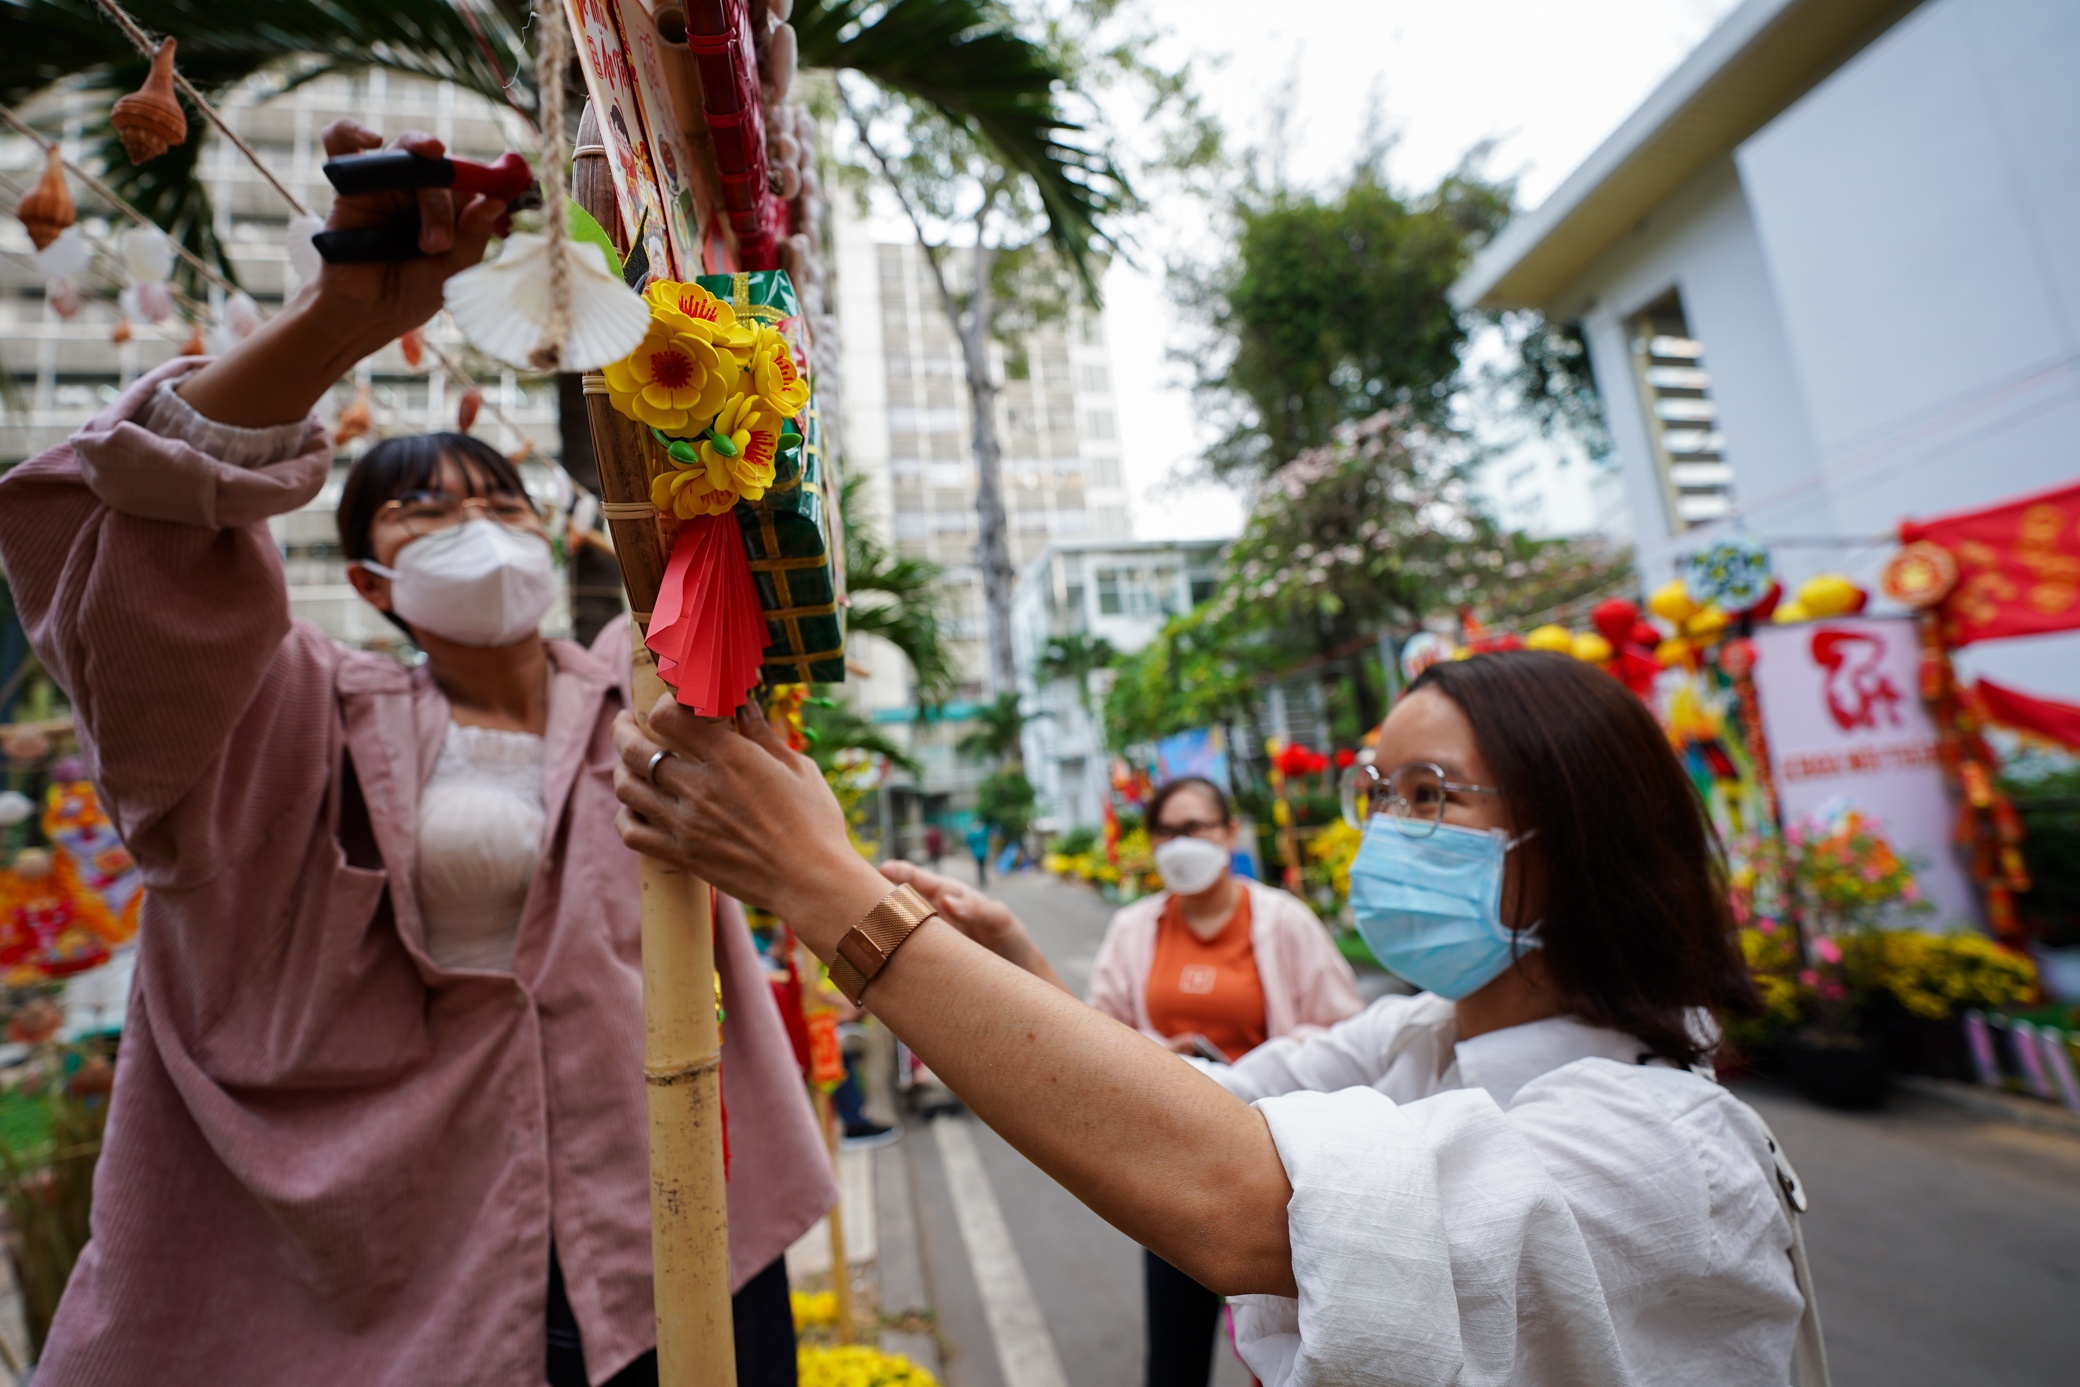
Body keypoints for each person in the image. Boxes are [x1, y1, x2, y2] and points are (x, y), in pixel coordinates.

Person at [0, 121, 835, 1387]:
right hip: (395, 1263)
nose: (475, 527)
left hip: (679, 1221)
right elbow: (136, 564)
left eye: (501, 502)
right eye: (424, 509)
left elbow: (750, 550)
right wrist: (341, 321)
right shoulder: (289, 719)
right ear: (370, 580)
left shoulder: (645, 684)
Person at [613, 649, 1822, 1386]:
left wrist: (824, 890)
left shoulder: (1670, 1150)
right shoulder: (1417, 1038)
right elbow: (1188, 1104)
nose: (1383, 830)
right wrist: (1003, 964)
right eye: (1376, 791)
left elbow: (1245, 1196)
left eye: (1428, 795)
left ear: (1581, 837)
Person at [1086, 777, 1361, 1387]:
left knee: (1293, 1354)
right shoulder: (1134, 929)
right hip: (1174, 1169)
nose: (1179, 843)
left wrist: (1258, 1069)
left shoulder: (1283, 921)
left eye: (1194, 828)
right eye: (1164, 832)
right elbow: (1098, 1035)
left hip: (1277, 1173)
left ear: (1229, 833)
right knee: (1174, 1355)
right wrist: (1160, 1055)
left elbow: (1346, 1036)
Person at [965, 820, 992, 885]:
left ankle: (981, 878)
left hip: (976, 852)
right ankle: (983, 878)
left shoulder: (972, 834)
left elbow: (968, 841)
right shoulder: (983, 833)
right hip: (983, 851)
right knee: (983, 866)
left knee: (979, 866)